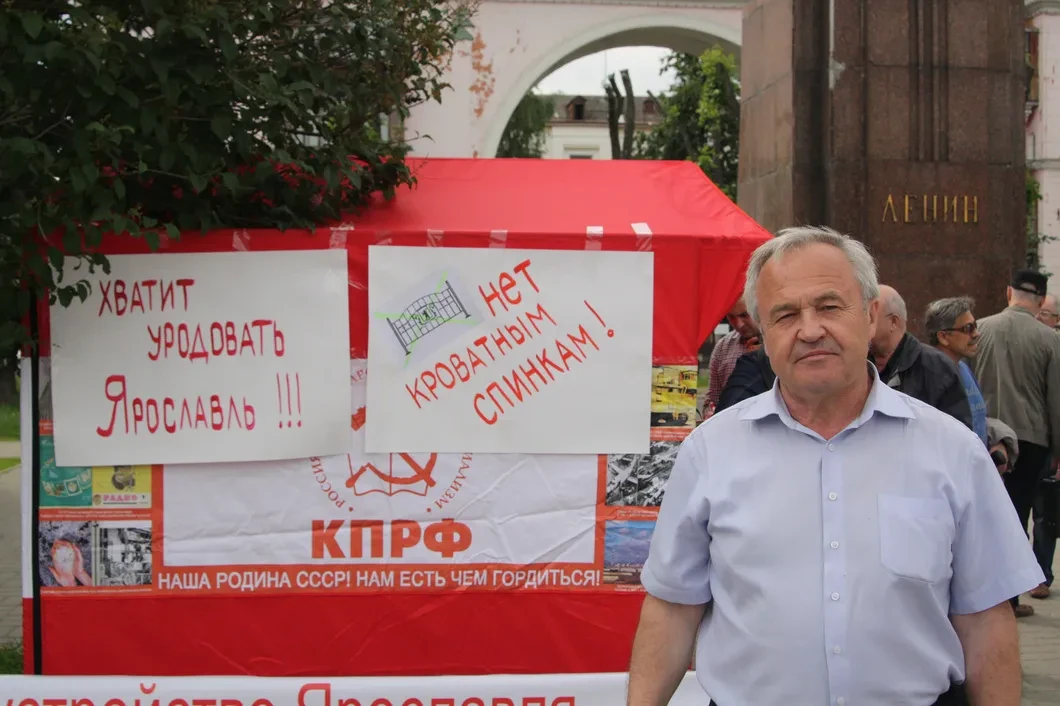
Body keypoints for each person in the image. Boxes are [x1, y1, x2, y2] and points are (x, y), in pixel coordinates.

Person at [627, 226, 1043, 706]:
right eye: (786, 314)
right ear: (763, 334)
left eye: (829, 306)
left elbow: (986, 618)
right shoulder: (709, 452)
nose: (810, 330)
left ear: (870, 316)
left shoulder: (953, 452)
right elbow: (672, 608)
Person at [974, 269, 1060, 609]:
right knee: (1018, 516)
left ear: (1009, 293)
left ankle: (984, 598)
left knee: (984, 519)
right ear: (1040, 301)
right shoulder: (1049, 339)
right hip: (1031, 439)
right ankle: (1007, 602)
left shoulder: (979, 329)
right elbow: (1056, 400)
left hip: (985, 438)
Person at [868, 285, 974, 431]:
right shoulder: (858, 365)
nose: (862, 324)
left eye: (870, 317)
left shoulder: (937, 368)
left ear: (893, 322)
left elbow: (959, 433)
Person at [924, 296, 989, 446]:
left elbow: (980, 419)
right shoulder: (930, 376)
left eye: (975, 326)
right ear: (943, 337)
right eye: (968, 328)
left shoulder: (963, 367)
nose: (976, 334)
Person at [703, 298, 761, 415]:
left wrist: (765, 357)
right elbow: (712, 399)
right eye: (731, 317)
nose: (739, 324)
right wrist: (709, 412)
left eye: (744, 315)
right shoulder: (723, 347)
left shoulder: (780, 344)